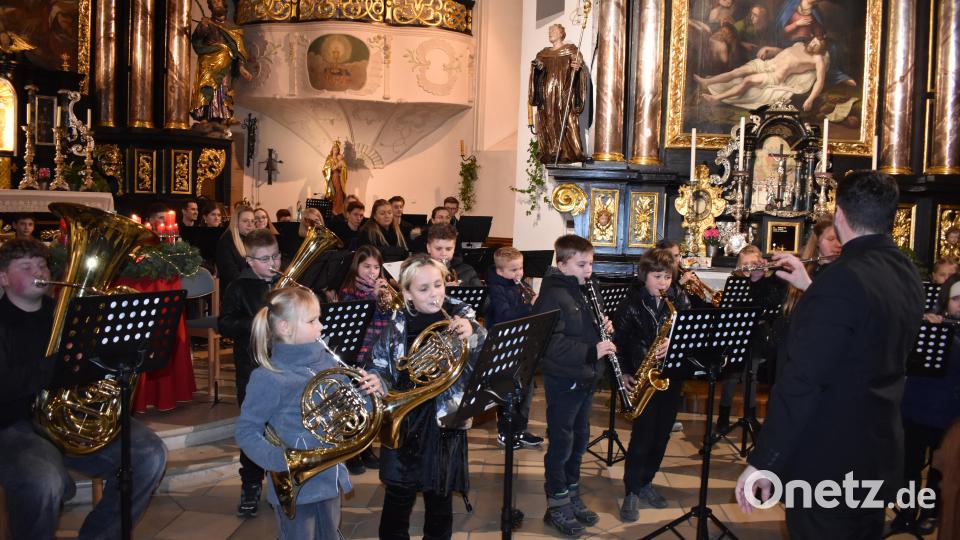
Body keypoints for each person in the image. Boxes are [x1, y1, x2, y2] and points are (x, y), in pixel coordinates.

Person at [735, 171, 925, 537]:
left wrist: (765, 461)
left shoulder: (842, 279)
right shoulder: (905, 271)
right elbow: (864, 332)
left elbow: (804, 381)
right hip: (878, 448)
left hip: (831, 461)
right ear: (892, 216)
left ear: (839, 216)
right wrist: (811, 287)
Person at [0, 238, 167, 538]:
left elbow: (90, 369)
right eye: (26, 266)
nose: (38, 270)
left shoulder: (67, 314)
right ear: (3, 278)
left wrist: (111, 365)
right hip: (15, 426)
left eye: (41, 264)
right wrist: (56, 364)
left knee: (149, 455)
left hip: (71, 422)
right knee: (43, 479)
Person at [234, 286, 382, 539]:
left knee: (330, 534)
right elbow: (246, 431)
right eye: (313, 321)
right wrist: (281, 461)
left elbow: (358, 411)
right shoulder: (269, 377)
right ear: (284, 328)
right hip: (296, 484)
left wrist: (373, 389)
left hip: (330, 477)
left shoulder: (328, 362)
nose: (322, 327)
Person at [370, 254, 486, 539]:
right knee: (398, 496)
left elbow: (484, 356)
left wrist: (473, 334)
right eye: (423, 289)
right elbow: (378, 365)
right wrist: (377, 380)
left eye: (438, 284)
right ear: (406, 293)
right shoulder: (397, 325)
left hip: (443, 421)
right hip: (406, 420)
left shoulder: (461, 317)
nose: (434, 294)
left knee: (440, 497)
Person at [533, 234, 616, 536]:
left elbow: (585, 327)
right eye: (582, 265)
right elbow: (548, 344)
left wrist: (603, 326)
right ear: (563, 263)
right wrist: (590, 351)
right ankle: (557, 506)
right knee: (562, 444)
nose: (589, 271)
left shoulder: (586, 288)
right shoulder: (552, 295)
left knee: (579, 440)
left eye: (591, 264)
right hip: (564, 378)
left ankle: (571, 496)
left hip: (586, 376)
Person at [614, 249, 691, 522]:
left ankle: (647, 481)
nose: (663, 283)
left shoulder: (679, 300)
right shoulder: (631, 304)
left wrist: (676, 342)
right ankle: (632, 489)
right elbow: (619, 345)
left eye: (668, 277)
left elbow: (692, 335)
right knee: (643, 437)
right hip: (642, 377)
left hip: (670, 377)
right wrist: (623, 372)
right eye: (657, 277)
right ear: (644, 275)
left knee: (662, 436)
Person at [890, 275, 960, 535]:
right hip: (916, 405)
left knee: (939, 466)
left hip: (950, 411)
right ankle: (907, 510)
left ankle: (931, 512)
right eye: (955, 299)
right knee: (910, 463)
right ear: (945, 300)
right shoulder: (926, 323)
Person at [218, 228, 281, 517]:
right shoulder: (239, 287)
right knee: (254, 428)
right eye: (265, 258)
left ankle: (282, 482)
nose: (273, 263)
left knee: (283, 426)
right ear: (249, 260)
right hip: (252, 368)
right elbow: (225, 324)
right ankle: (252, 483)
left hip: (284, 367)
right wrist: (259, 322)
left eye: (276, 256)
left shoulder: (284, 283)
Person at [716, 245, 786, 431]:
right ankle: (723, 417)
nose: (749, 268)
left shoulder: (767, 283)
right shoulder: (735, 281)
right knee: (731, 376)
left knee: (752, 376)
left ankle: (750, 416)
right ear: (739, 265)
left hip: (757, 335)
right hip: (736, 334)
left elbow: (772, 305)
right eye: (745, 264)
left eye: (753, 264)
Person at [336, 245, 391, 475]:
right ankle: (352, 451)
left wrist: (386, 299)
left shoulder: (382, 289)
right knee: (354, 403)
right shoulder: (349, 290)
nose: (372, 271)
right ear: (356, 267)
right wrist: (374, 296)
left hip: (376, 354)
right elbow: (356, 311)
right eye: (366, 266)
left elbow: (390, 317)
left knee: (371, 405)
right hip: (356, 354)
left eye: (376, 267)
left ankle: (366, 446)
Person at [485, 247, 543, 450]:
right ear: (500, 271)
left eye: (521, 268)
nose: (519, 273)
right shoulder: (496, 288)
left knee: (525, 390)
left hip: (521, 345)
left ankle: (520, 430)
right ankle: (505, 432)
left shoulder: (517, 284)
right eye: (513, 270)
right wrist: (530, 307)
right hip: (503, 346)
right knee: (508, 392)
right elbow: (504, 316)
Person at [695, 35, 829, 111]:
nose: (812, 44)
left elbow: (820, 81)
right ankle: (707, 81)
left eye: (816, 44)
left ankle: (715, 99)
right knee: (737, 72)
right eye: (813, 41)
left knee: (747, 81)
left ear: (820, 48)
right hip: (767, 64)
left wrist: (810, 100)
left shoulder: (817, 60)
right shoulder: (799, 45)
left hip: (776, 75)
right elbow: (784, 52)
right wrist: (769, 48)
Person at [190, 0, 253, 133]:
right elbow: (196, 41)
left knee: (224, 88)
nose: (217, 5)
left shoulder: (233, 28)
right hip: (208, 61)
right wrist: (202, 27)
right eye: (214, 3)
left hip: (226, 64)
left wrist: (241, 67)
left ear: (225, 6)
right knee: (207, 88)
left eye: (219, 2)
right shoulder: (206, 23)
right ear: (210, 7)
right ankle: (204, 116)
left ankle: (225, 116)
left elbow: (238, 50)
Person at [529, 24, 587, 163]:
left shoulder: (571, 50)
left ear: (561, 33)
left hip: (564, 92)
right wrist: (537, 68)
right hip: (547, 95)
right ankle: (551, 150)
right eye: (549, 31)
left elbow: (578, 67)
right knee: (548, 120)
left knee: (566, 119)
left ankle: (568, 151)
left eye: (554, 31)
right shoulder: (543, 54)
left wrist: (578, 68)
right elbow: (537, 72)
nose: (551, 33)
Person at [216, 204, 255, 296]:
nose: (250, 225)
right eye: (245, 221)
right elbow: (231, 274)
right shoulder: (226, 242)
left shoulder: (250, 239)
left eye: (252, 221)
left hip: (247, 286)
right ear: (236, 222)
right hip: (233, 292)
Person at [323, 141, 348, 215]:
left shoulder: (340, 158)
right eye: (335, 149)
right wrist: (335, 167)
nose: (336, 151)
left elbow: (344, 169)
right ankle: (334, 209)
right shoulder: (329, 158)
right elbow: (325, 169)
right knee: (334, 192)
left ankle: (339, 209)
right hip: (332, 177)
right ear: (332, 149)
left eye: (337, 150)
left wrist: (341, 167)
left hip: (338, 177)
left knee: (339, 192)